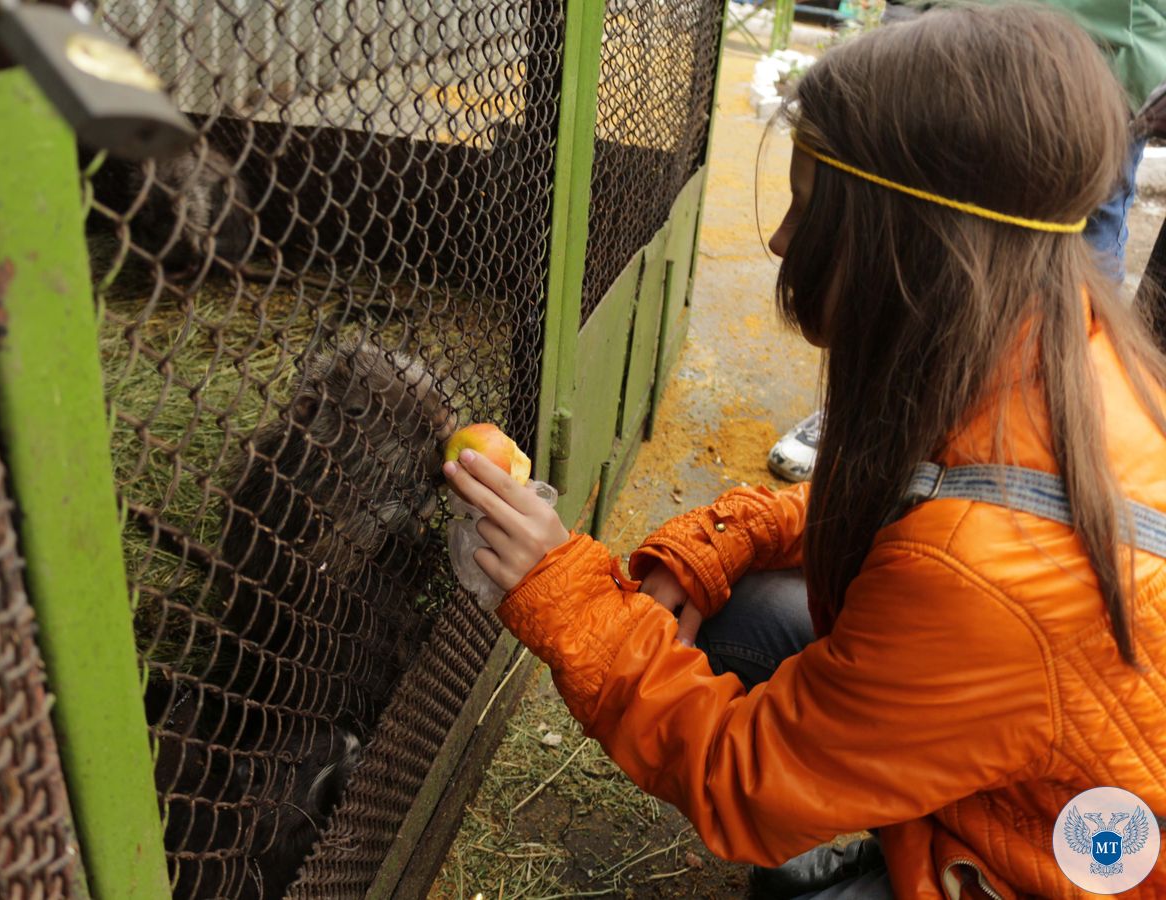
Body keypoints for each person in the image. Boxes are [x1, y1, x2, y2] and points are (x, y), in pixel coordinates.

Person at [443, 6, 1166, 898]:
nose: (783, 240)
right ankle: (914, 834)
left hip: (1078, 872)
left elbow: (744, 783)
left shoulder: (984, 574)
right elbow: (903, 508)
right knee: (743, 612)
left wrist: (565, 592)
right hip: (1026, 779)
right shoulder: (1065, 345)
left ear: (906, 240)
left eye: (811, 205)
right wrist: (713, 549)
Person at [768, 0, 1166, 483]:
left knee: (1075, 259)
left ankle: (1057, 438)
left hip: (1108, 63)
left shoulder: (949, 550)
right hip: (957, 43)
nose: (777, 242)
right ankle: (886, 420)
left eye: (804, 212)